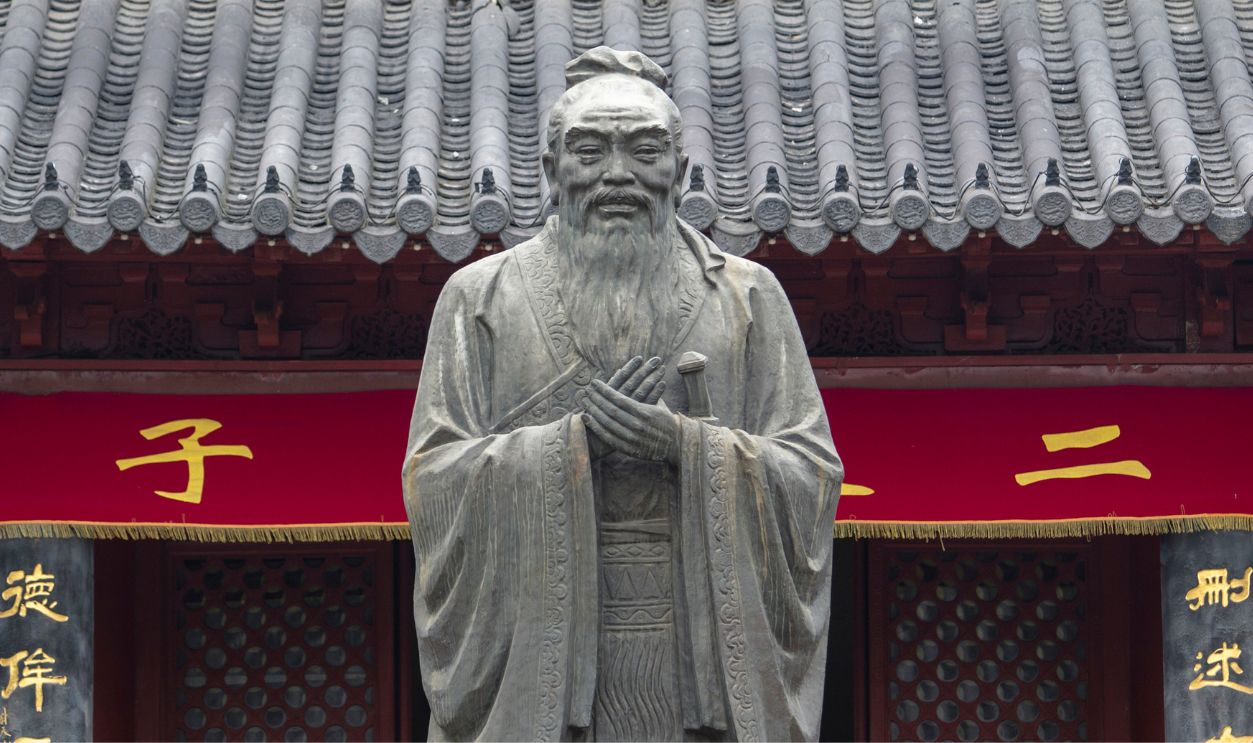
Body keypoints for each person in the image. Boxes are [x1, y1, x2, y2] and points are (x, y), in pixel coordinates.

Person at [403, 46, 842, 742]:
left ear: (681, 170)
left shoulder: (746, 297)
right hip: (545, 658)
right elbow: (432, 481)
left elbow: (812, 473)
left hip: (698, 658)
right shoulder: (480, 299)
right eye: (588, 149)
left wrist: (685, 445)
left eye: (644, 150)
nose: (616, 174)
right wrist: (570, 446)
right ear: (550, 169)